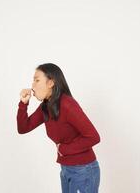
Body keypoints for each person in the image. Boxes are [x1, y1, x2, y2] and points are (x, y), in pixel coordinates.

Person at [17, 63, 101, 193]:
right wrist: (23, 104)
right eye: (33, 80)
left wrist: (64, 149)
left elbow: (94, 137)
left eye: (37, 80)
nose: (32, 85)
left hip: (83, 170)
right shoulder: (46, 106)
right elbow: (23, 128)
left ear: (51, 83)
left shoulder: (67, 104)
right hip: (66, 169)